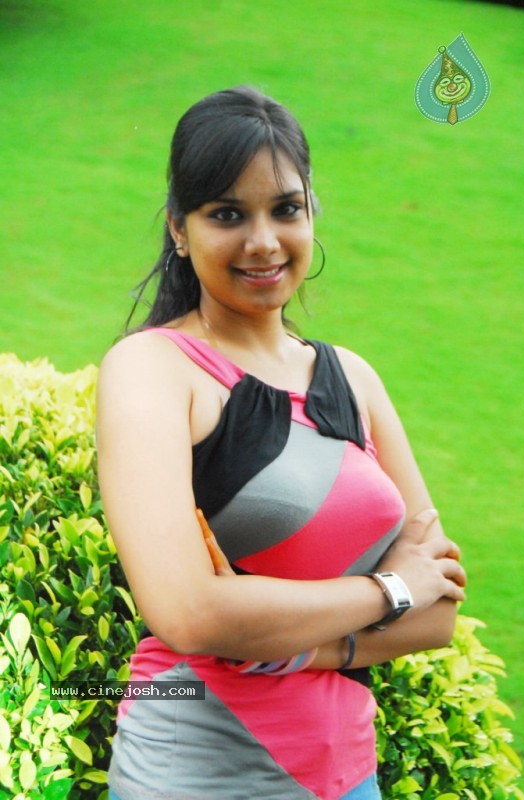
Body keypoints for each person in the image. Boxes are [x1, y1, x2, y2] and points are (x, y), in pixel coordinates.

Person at [96, 86, 467, 800]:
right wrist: (389, 589)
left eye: (286, 209)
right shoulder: (153, 369)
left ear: (311, 213)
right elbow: (188, 613)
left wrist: (299, 648)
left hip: (346, 774)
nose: (263, 241)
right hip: (194, 775)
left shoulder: (351, 378)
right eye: (227, 214)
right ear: (179, 229)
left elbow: (439, 609)